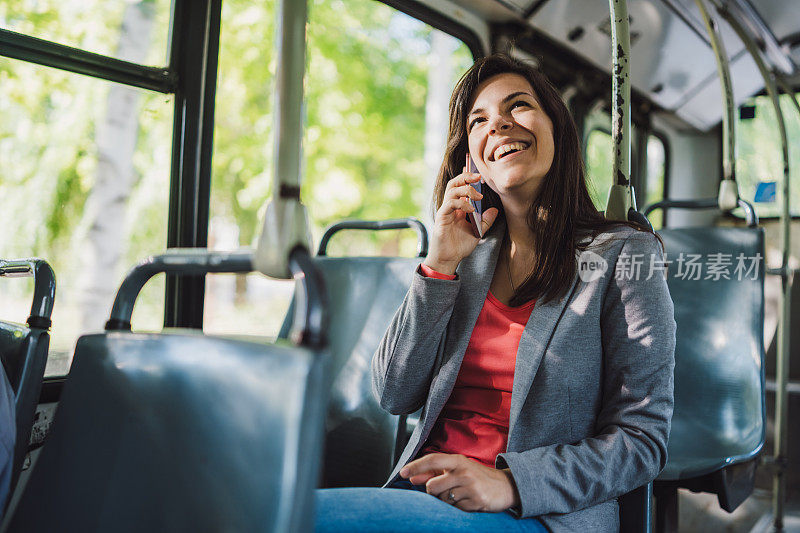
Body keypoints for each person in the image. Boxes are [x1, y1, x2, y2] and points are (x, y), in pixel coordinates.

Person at [315, 53, 675, 533]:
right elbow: (394, 392)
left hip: (536, 510)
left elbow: (641, 439)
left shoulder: (624, 256)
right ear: (471, 157)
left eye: (519, 106)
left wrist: (509, 482)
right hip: (426, 493)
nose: (499, 125)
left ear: (557, 129)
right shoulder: (466, 256)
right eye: (478, 121)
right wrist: (440, 263)